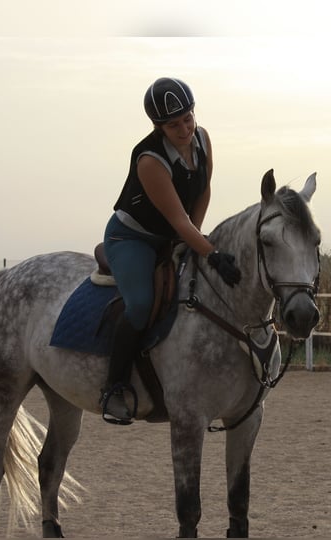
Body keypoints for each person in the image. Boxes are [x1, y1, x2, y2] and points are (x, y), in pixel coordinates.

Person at [100, 77, 242, 424]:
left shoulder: (203, 139)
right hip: (132, 238)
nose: (184, 129)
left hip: (175, 233)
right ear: (158, 127)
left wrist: (195, 239)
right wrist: (209, 252)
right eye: (174, 124)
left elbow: (203, 190)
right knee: (140, 305)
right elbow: (178, 222)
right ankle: (114, 387)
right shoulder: (150, 161)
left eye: (188, 118)